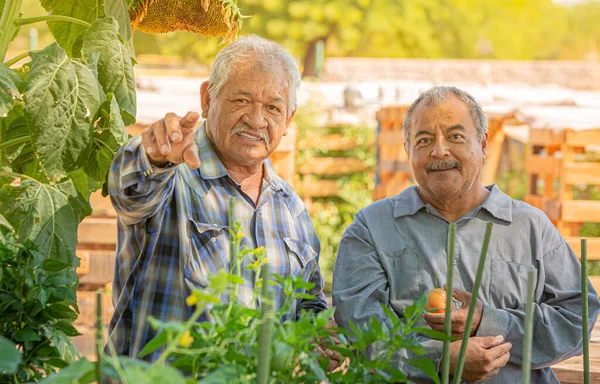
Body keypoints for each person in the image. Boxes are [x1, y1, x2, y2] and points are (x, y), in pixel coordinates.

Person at [332, 85, 600, 383]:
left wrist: (487, 322)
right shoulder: (371, 228)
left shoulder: (531, 227)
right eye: (423, 140)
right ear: (408, 151)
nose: (439, 150)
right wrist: (439, 360)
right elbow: (360, 329)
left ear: (483, 144)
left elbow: (578, 319)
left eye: (455, 136)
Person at [107, 35, 337, 363]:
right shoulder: (172, 177)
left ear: (288, 119)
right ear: (207, 98)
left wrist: (320, 336)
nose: (257, 120)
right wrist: (153, 156)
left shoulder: (291, 207)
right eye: (241, 100)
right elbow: (129, 187)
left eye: (273, 107)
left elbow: (309, 302)